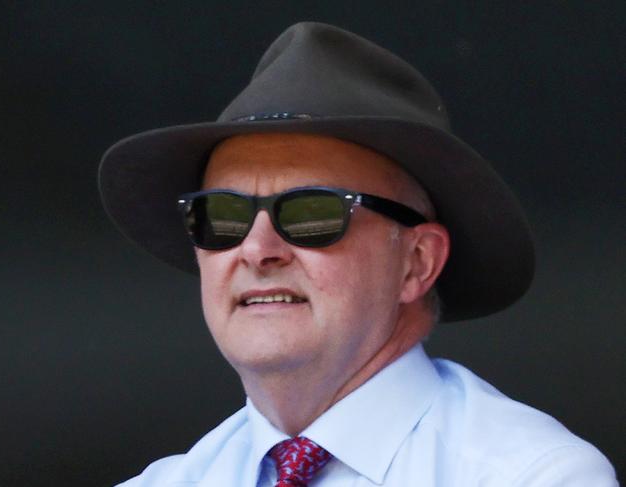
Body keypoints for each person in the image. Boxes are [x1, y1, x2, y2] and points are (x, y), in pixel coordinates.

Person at [99, 22, 617, 487]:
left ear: (416, 263)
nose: (256, 249)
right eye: (223, 217)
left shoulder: (533, 476)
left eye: (311, 214)